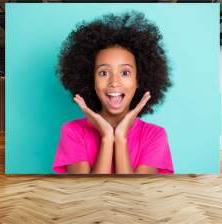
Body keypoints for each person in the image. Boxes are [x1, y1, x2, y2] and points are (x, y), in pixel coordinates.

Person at [52, 11, 173, 174]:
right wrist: (107, 137)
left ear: (139, 80)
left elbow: (133, 195)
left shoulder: (154, 135)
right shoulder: (73, 132)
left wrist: (121, 138)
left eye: (125, 73)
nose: (114, 82)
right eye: (103, 73)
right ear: (91, 80)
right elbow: (86, 193)